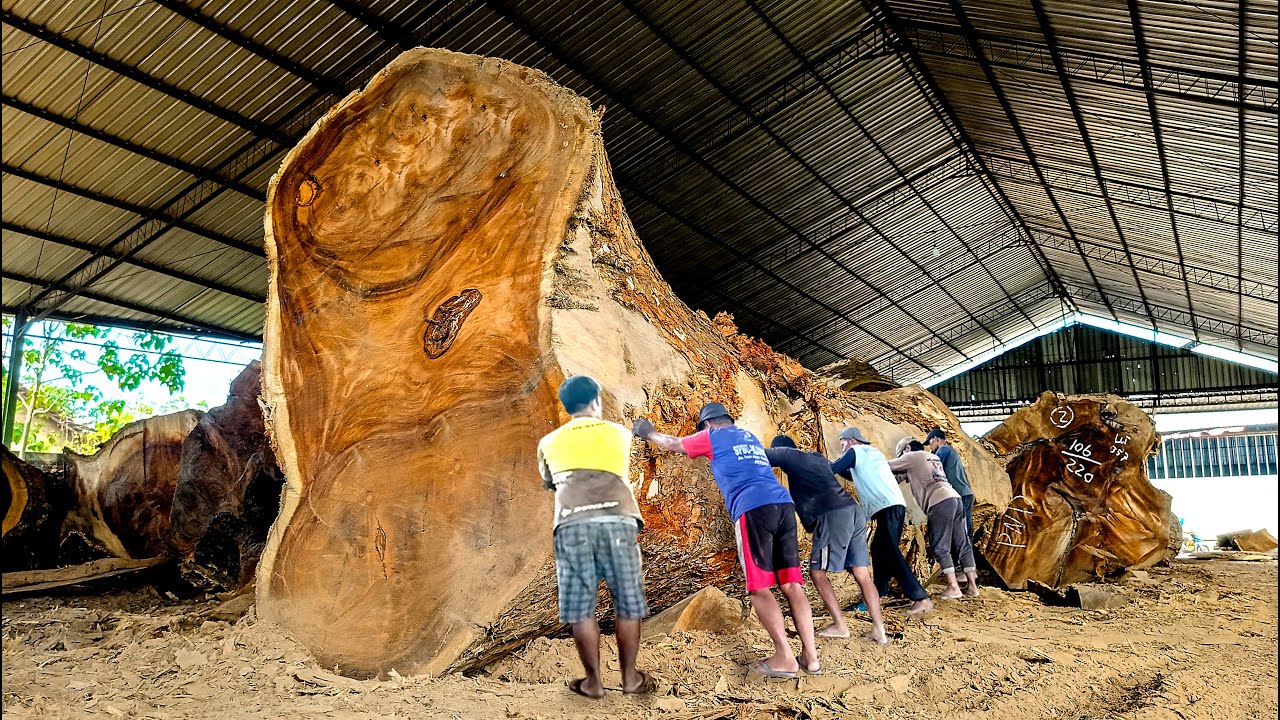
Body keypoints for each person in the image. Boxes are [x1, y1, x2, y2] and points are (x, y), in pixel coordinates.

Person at [632, 403, 820, 677]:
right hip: (783, 505)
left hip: (753, 509)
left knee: (759, 588)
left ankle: (785, 658)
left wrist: (649, 432)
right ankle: (811, 658)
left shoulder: (713, 435)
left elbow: (676, 444)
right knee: (791, 584)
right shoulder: (750, 437)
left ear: (707, 424)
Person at [537, 376, 653, 699]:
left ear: (567, 407)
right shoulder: (619, 434)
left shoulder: (548, 443)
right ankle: (630, 678)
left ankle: (594, 682)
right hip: (618, 519)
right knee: (627, 603)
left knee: (582, 609)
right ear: (596, 402)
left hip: (573, 524)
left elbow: (549, 482)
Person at [766, 435, 887, 644]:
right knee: (862, 573)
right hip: (853, 510)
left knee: (817, 572)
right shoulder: (816, 458)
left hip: (832, 514)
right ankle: (879, 630)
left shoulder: (787, 454)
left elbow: (759, 455)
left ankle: (840, 625)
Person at [830, 428, 933, 616]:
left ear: (852, 440)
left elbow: (834, 468)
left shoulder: (856, 451)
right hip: (892, 505)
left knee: (891, 551)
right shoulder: (872, 454)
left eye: (842, 442)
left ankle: (920, 597)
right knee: (879, 548)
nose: (842, 447)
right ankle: (878, 592)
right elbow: (854, 475)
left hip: (887, 507)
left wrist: (818, 464)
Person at [887, 437, 980, 601]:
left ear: (907, 449)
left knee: (940, 546)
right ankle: (972, 586)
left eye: (901, 455)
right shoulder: (932, 457)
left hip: (939, 502)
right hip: (955, 498)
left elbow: (885, 467)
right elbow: (902, 477)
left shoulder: (911, 457)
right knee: (962, 543)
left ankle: (953, 588)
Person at [926, 429, 975, 539]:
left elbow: (934, 470)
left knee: (961, 530)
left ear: (936, 439)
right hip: (965, 493)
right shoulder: (951, 451)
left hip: (960, 494)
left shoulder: (943, 450)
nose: (930, 447)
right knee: (965, 528)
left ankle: (964, 555)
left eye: (930, 443)